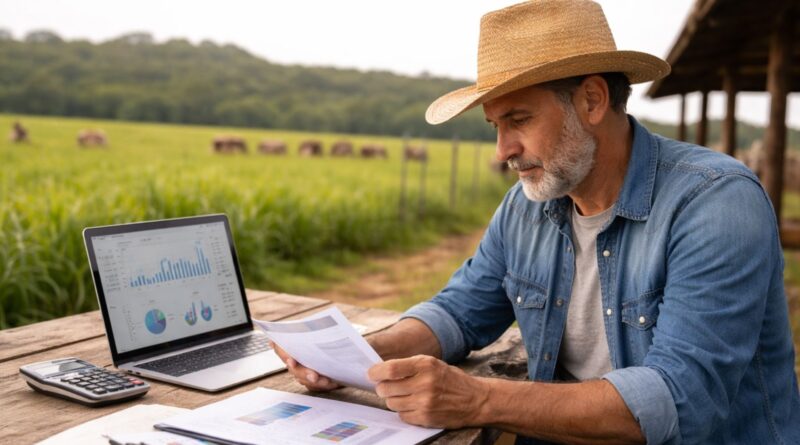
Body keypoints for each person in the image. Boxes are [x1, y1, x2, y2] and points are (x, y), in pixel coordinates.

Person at [274, 1, 800, 443]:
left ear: (592, 100)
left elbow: (682, 397)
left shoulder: (715, 202)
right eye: (496, 126)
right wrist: (366, 353)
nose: (504, 150)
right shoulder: (525, 206)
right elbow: (460, 311)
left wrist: (479, 399)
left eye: (519, 120)